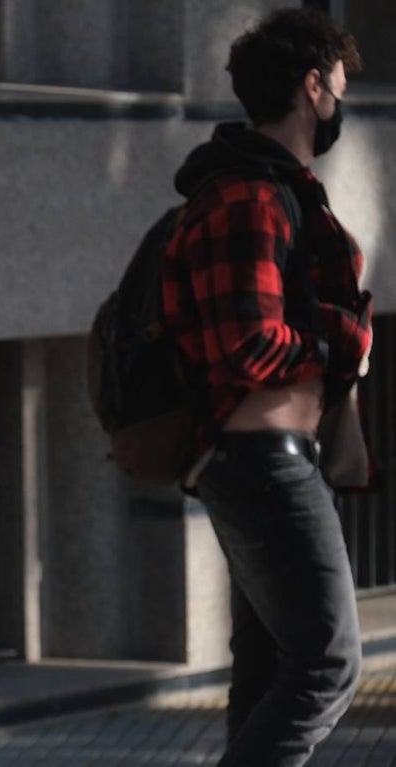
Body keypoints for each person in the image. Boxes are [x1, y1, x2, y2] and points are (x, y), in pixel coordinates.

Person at [161, 8, 370, 765]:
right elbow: (244, 344)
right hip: (261, 462)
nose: (340, 103)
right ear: (312, 86)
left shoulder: (267, 188)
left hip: (272, 459)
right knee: (327, 662)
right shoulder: (249, 196)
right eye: (339, 86)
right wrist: (344, 341)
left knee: (270, 669)